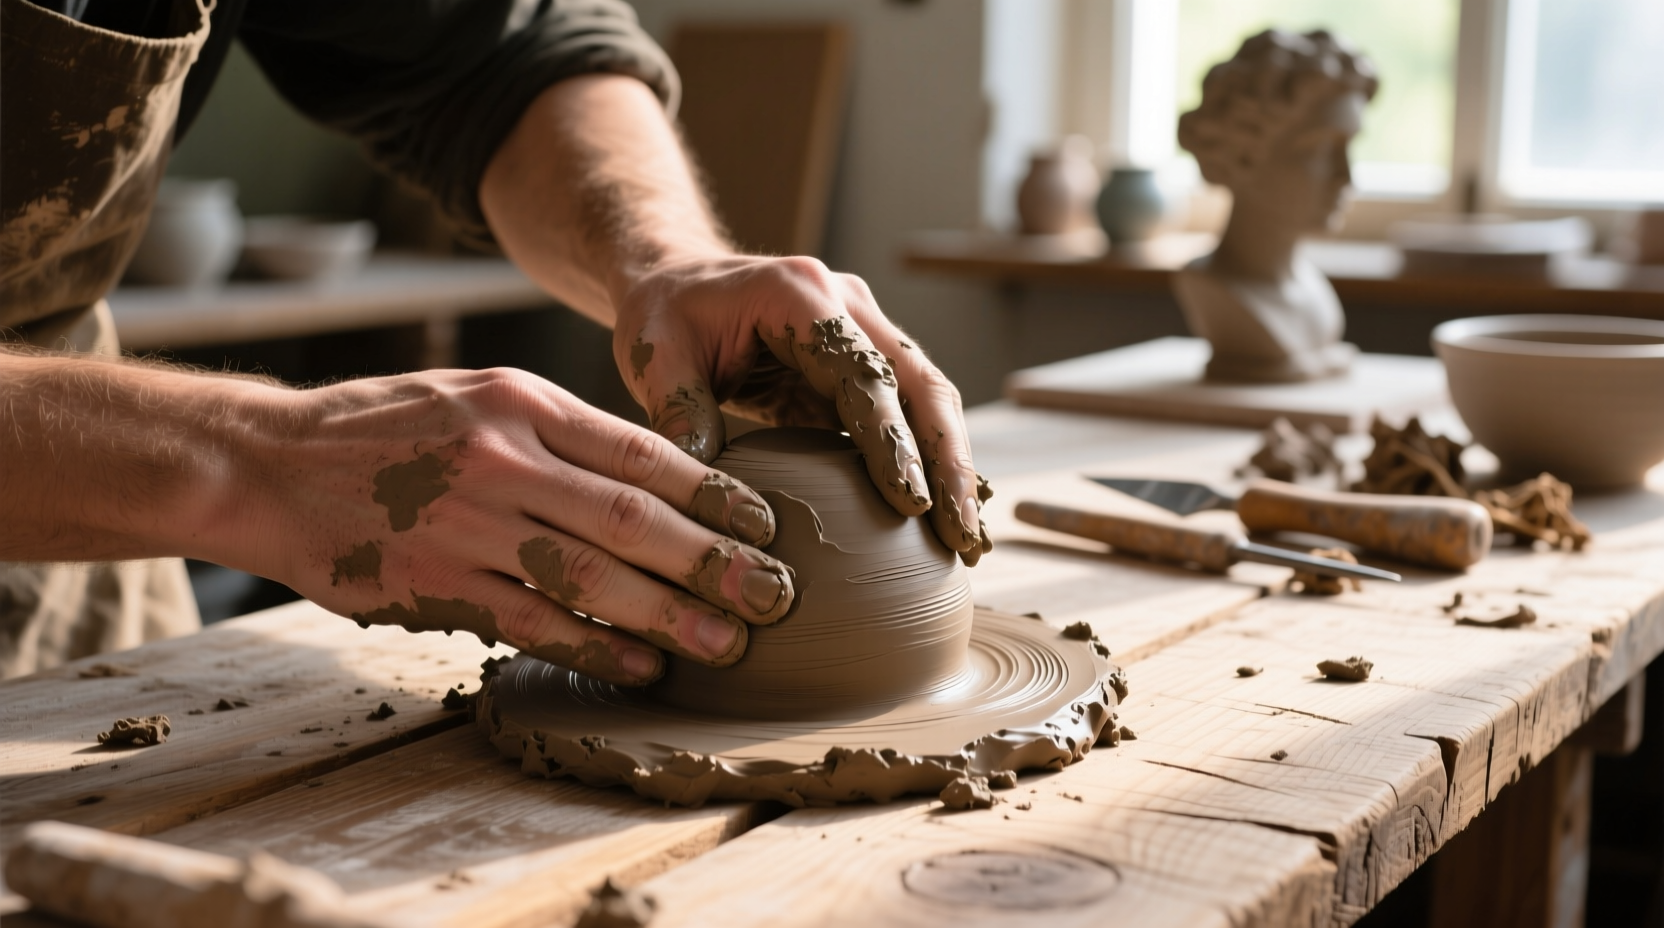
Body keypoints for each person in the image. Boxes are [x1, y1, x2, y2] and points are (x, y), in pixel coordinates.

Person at [0, 0, 991, 682]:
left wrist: (663, 259)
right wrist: (248, 461)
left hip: (67, 588)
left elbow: (501, 54)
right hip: (104, 455)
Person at [1173, 29, 1378, 383]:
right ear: (1243, 152)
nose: (1346, 177)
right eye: (1319, 149)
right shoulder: (1217, 289)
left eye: (1349, 148)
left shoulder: (1315, 295)